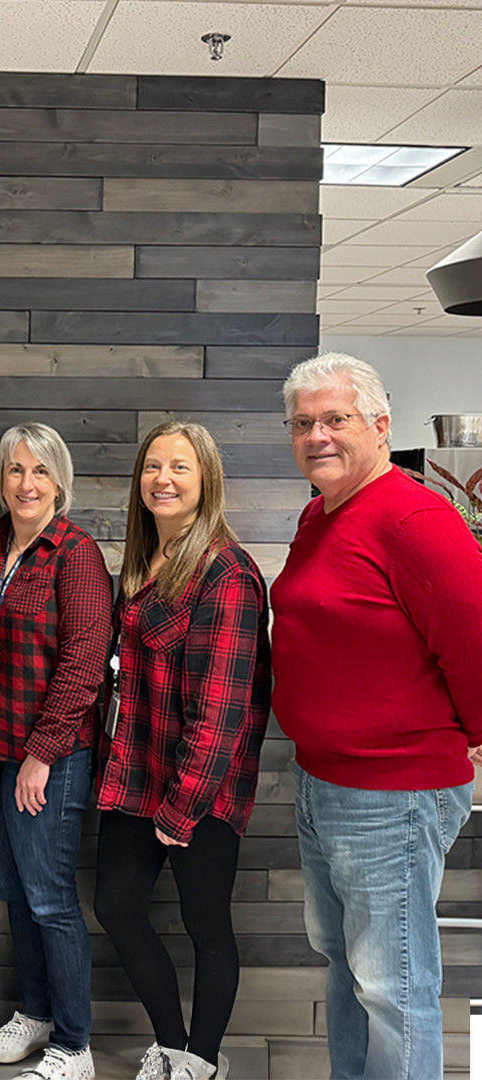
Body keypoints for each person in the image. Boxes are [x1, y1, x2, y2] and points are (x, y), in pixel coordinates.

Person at [271, 352, 482, 1080]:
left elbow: (475, 642)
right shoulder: (321, 513)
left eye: (336, 419)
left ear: (381, 424)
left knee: (395, 987)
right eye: (304, 423)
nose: (318, 436)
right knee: (351, 973)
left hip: (391, 791)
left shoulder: (416, 518)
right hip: (325, 781)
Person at [92, 421, 271, 1080]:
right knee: (116, 907)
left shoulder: (227, 573)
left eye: (180, 468)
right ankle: (170, 1046)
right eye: (153, 467)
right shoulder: (142, 564)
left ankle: (201, 1060)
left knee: (206, 926)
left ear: (206, 482)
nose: (163, 479)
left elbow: (222, 712)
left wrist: (182, 810)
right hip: (135, 775)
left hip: (201, 789)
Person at [0, 422, 112, 1080]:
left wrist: (42, 754)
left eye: (39, 471)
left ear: (58, 481)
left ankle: (74, 1046)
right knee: (16, 895)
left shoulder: (75, 553)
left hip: (50, 757)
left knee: (50, 899)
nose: (26, 483)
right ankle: (38, 1012)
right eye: (15, 470)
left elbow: (84, 662)